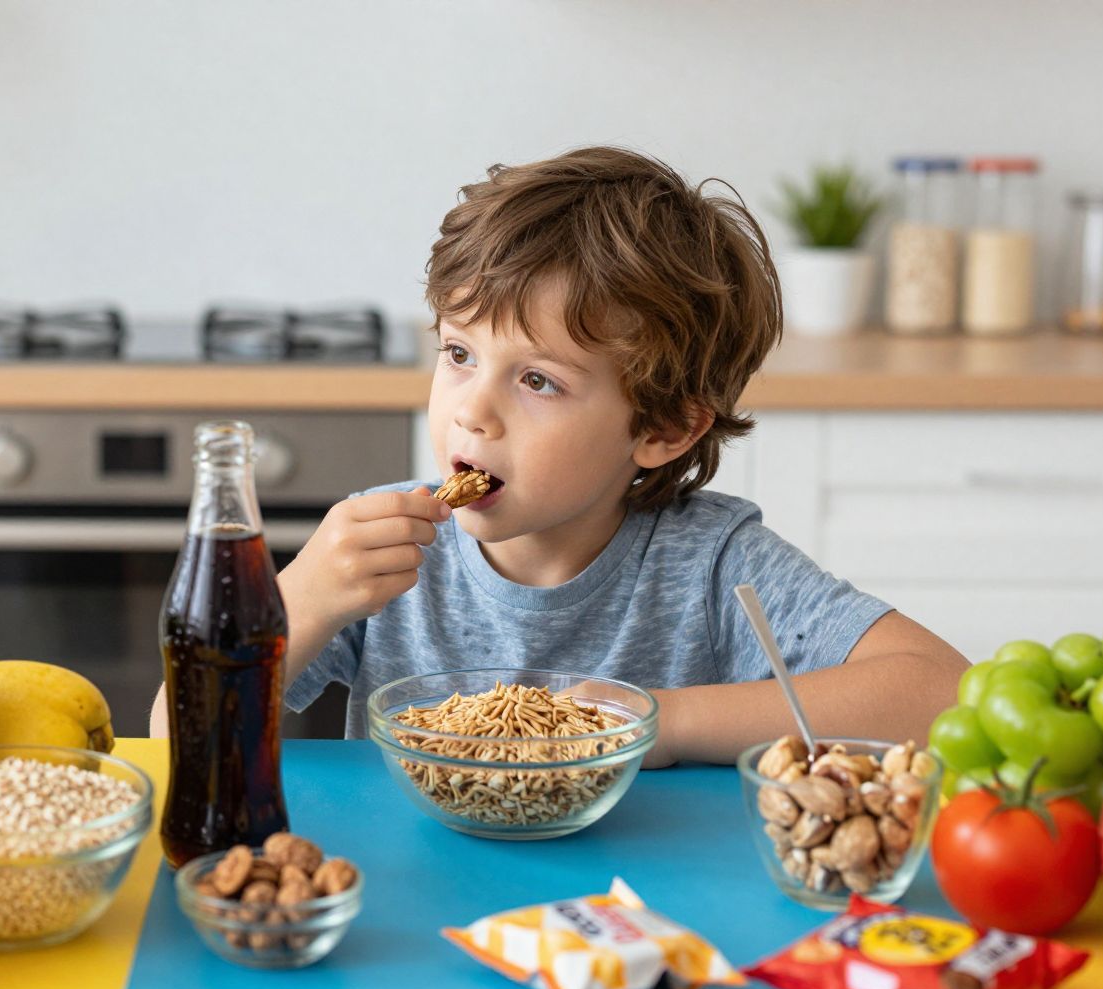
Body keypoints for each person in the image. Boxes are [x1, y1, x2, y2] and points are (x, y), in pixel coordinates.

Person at [151, 146, 964, 765]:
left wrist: (658, 722)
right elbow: (177, 738)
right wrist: (300, 601)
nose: (471, 408)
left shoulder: (710, 563)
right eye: (460, 353)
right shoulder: (382, 560)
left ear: (664, 430)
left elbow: (941, 694)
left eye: (537, 380)